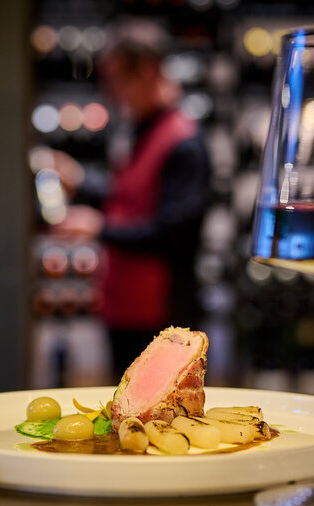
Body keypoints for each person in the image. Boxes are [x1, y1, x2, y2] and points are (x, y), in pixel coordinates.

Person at [51, 19, 212, 381]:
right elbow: (132, 196)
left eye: (118, 80)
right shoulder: (142, 128)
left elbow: (174, 235)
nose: (112, 93)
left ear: (148, 71)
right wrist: (79, 182)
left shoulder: (184, 143)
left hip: (159, 315)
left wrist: (98, 228)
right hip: (126, 306)